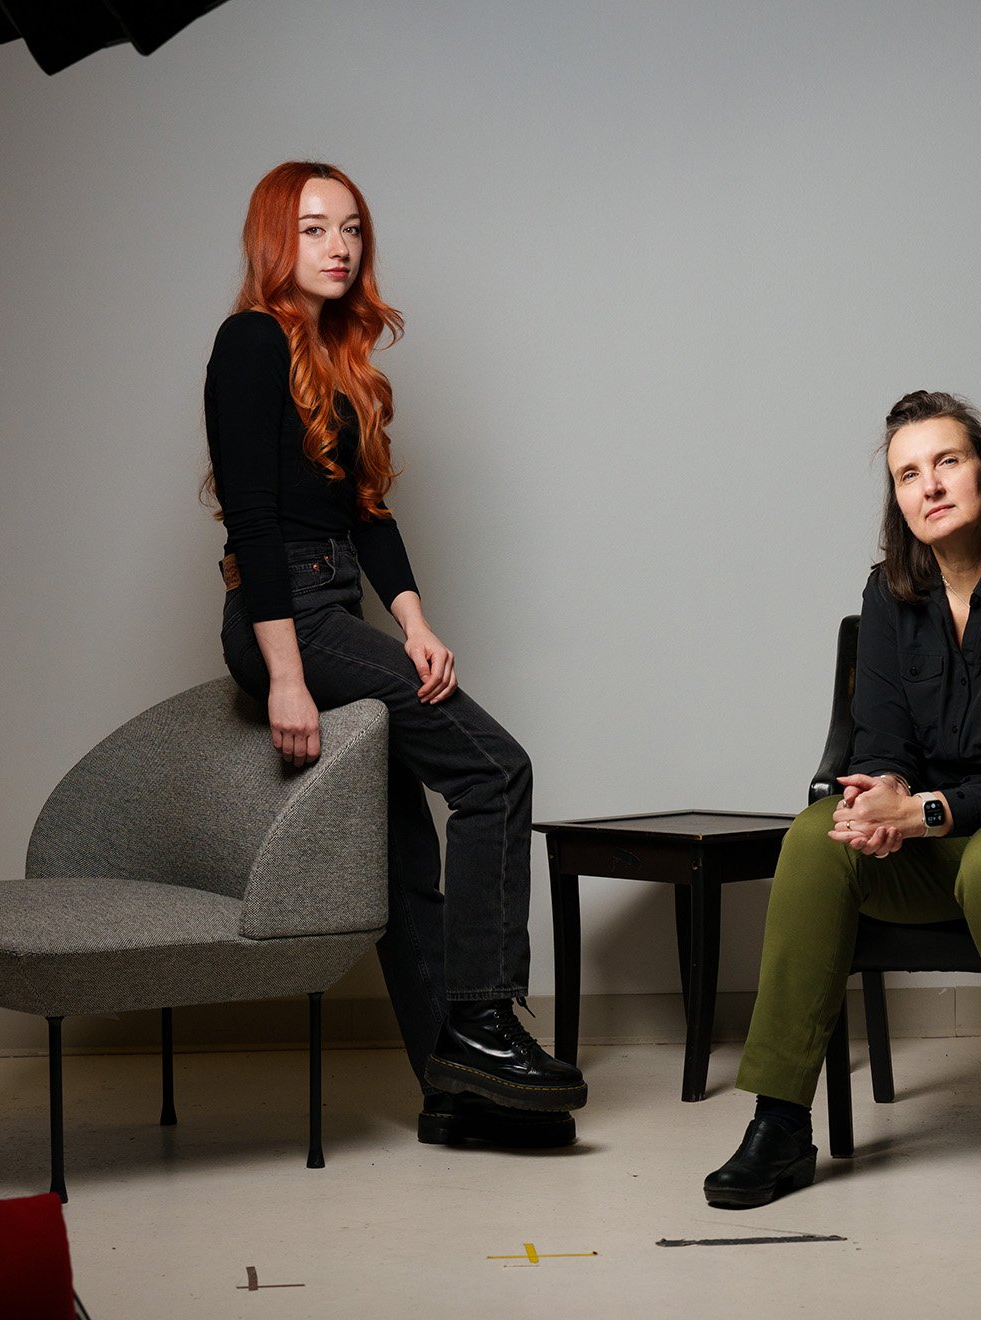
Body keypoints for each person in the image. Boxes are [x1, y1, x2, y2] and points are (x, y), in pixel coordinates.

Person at [703, 390, 981, 1210]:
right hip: (956, 850)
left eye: (947, 461)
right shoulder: (889, 594)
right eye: (908, 473)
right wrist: (882, 793)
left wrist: (925, 814)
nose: (930, 485)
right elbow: (879, 739)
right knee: (817, 835)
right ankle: (778, 1125)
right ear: (897, 499)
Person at [206, 161, 585, 1147]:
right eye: (316, 228)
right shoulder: (247, 342)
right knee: (496, 773)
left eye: (354, 230)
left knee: (405, 849)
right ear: (273, 242)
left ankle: (454, 1092)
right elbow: (252, 517)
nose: (339, 247)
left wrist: (414, 624)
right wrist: (287, 672)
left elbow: (368, 515)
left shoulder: (341, 363)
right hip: (284, 617)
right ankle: (486, 1022)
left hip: (336, 607)